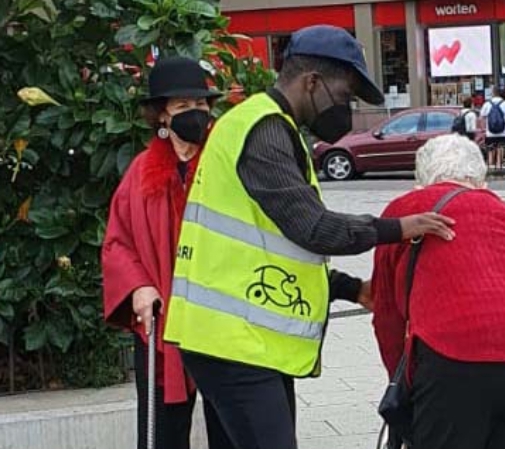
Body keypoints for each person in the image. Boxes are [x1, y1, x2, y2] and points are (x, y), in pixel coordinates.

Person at [163, 25, 456, 448]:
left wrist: (351, 289)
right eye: (344, 95)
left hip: (235, 339)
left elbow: (273, 244)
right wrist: (398, 228)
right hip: (232, 343)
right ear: (312, 82)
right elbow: (314, 229)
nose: (346, 108)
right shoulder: (261, 130)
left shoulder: (270, 127)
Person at [372, 134, 505, 448]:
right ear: (481, 181)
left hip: (455, 360)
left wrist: (403, 385)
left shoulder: (405, 210)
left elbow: (387, 318)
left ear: (421, 180)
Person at [101, 56, 232, 449]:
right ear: (162, 116)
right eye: (183, 107)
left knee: (231, 425)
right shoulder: (141, 174)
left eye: (201, 106)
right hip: (164, 321)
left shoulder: (225, 163)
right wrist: (138, 286)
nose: (195, 114)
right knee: (163, 431)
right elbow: (117, 242)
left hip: (222, 319)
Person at [480, 86, 505, 169]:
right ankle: (499, 164)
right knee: (501, 148)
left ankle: (491, 165)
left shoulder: (487, 104)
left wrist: (483, 130)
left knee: (491, 149)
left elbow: (482, 118)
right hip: (504, 132)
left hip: (490, 133)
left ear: (493, 93)